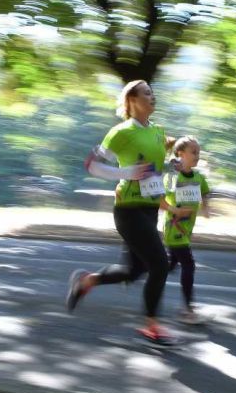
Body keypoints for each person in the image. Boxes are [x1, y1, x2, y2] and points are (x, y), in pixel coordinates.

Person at [66, 80, 179, 347]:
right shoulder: (121, 132)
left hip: (150, 208)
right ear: (132, 100)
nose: (153, 96)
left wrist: (176, 166)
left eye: (153, 92)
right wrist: (125, 174)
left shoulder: (158, 132)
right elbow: (92, 165)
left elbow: (155, 167)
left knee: (133, 271)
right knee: (160, 265)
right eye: (147, 93)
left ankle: (87, 280)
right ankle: (152, 326)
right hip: (129, 210)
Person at [163, 136, 212, 325]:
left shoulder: (199, 177)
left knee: (169, 266)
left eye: (198, 152)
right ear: (180, 154)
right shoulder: (173, 177)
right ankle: (188, 310)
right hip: (174, 228)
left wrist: (206, 207)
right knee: (188, 265)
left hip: (187, 230)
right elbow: (159, 197)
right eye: (194, 152)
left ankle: (142, 268)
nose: (197, 156)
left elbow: (206, 191)